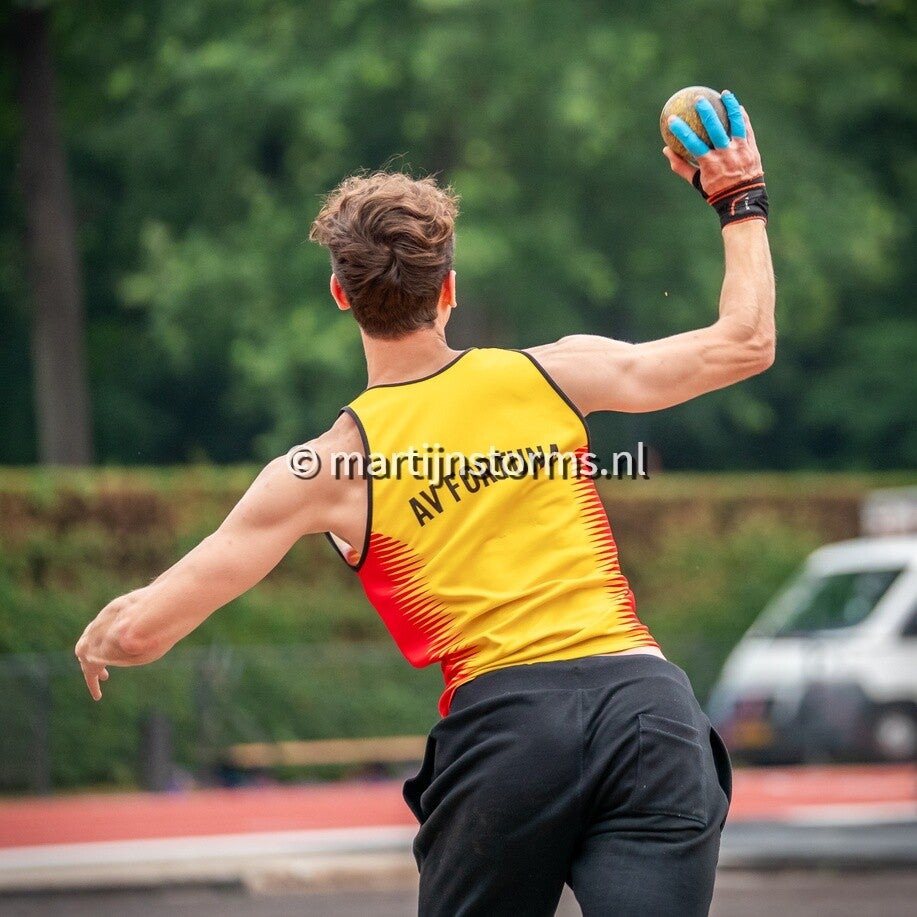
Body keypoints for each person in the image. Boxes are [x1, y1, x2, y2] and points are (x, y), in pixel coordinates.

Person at [76, 91, 774, 916]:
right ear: (448, 290)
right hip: (648, 712)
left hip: (508, 734)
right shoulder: (553, 373)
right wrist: (738, 195)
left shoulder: (324, 467)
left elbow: (144, 632)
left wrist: (106, 631)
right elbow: (744, 343)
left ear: (340, 295)